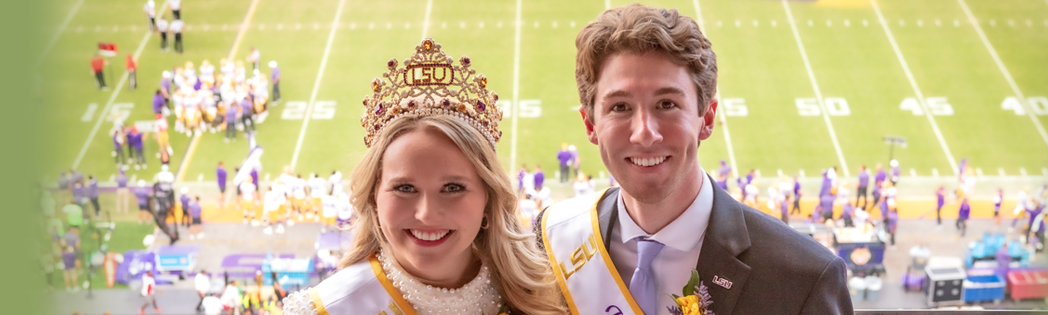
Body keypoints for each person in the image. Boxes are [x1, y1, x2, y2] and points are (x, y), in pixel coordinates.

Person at [538, 5, 853, 314]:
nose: (644, 134)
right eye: (620, 107)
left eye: (666, 103)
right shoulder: (550, 244)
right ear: (590, 125)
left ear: (708, 118)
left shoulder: (803, 279)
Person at [282, 38, 566, 314]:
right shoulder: (324, 309)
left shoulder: (548, 292)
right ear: (373, 198)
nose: (426, 214)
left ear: (488, 200)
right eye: (405, 188)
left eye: (453, 187)